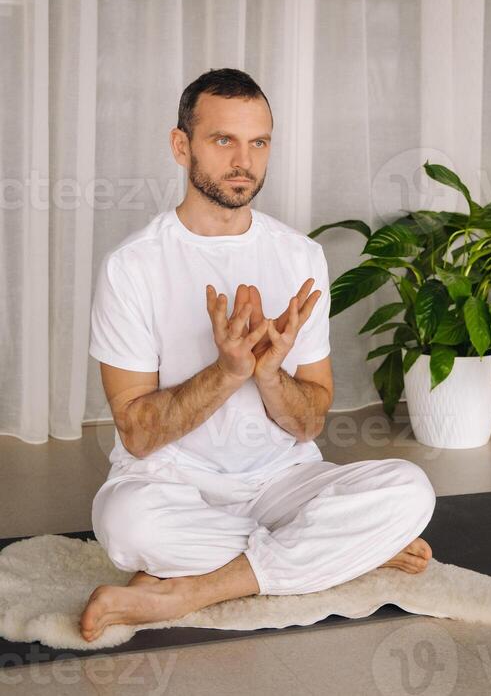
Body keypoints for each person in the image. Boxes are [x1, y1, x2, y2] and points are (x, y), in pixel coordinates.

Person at [79, 68, 436, 643]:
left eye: (259, 142)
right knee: (124, 525)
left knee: (411, 489)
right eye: (223, 140)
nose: (244, 160)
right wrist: (226, 373)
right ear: (181, 146)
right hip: (172, 482)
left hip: (281, 483)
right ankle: (335, 550)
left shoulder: (300, 256)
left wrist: (270, 375)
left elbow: (309, 422)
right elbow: (139, 435)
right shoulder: (132, 267)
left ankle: (197, 587)